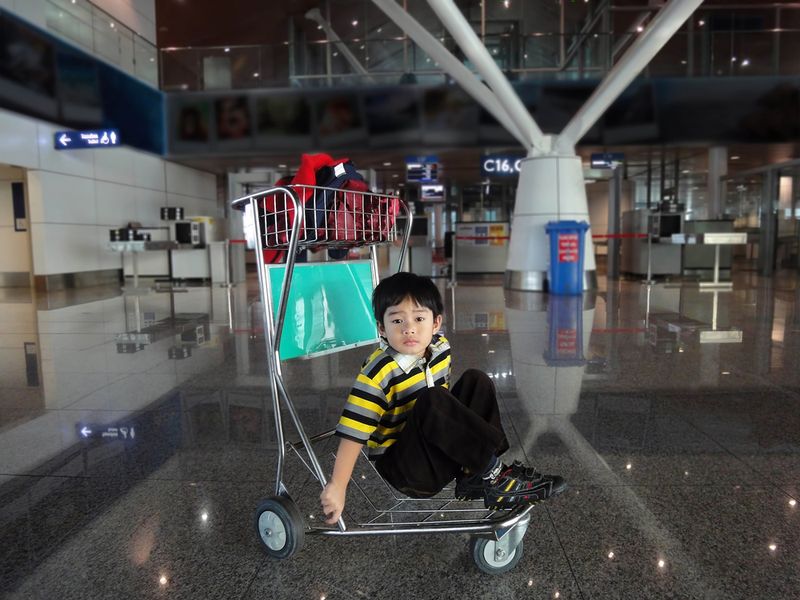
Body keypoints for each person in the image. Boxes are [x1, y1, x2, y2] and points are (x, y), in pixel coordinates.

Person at [320, 272, 566, 525]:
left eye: (418, 318)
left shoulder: (440, 348)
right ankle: (495, 476)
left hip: (432, 453)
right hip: (406, 470)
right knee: (433, 399)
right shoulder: (378, 373)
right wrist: (338, 486)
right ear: (382, 328)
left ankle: (474, 473)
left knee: (475, 380)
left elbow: (446, 411)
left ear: (436, 323)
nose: (409, 328)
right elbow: (353, 431)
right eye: (396, 321)